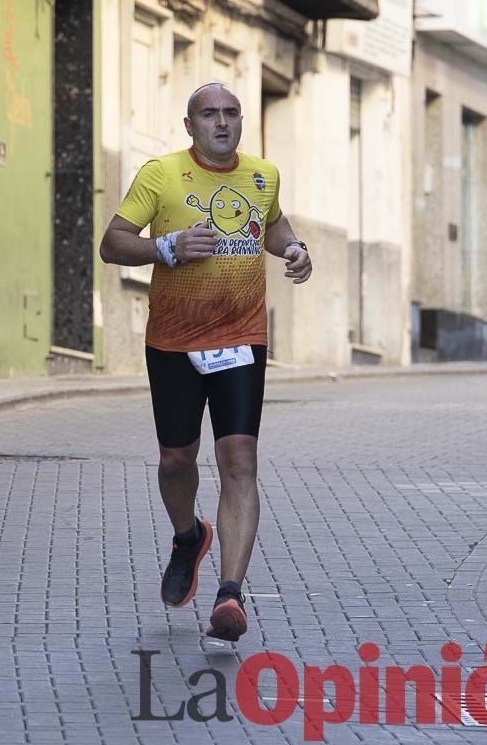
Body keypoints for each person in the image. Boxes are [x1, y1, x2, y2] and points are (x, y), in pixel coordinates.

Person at [99, 83, 312, 641]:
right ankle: (189, 534)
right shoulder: (160, 174)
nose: (222, 122)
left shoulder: (263, 174)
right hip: (173, 340)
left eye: (231, 113)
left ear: (243, 121)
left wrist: (294, 248)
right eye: (209, 114)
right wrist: (167, 247)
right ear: (190, 124)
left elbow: (272, 223)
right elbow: (113, 242)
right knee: (176, 460)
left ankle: (230, 595)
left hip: (242, 337)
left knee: (240, 459)